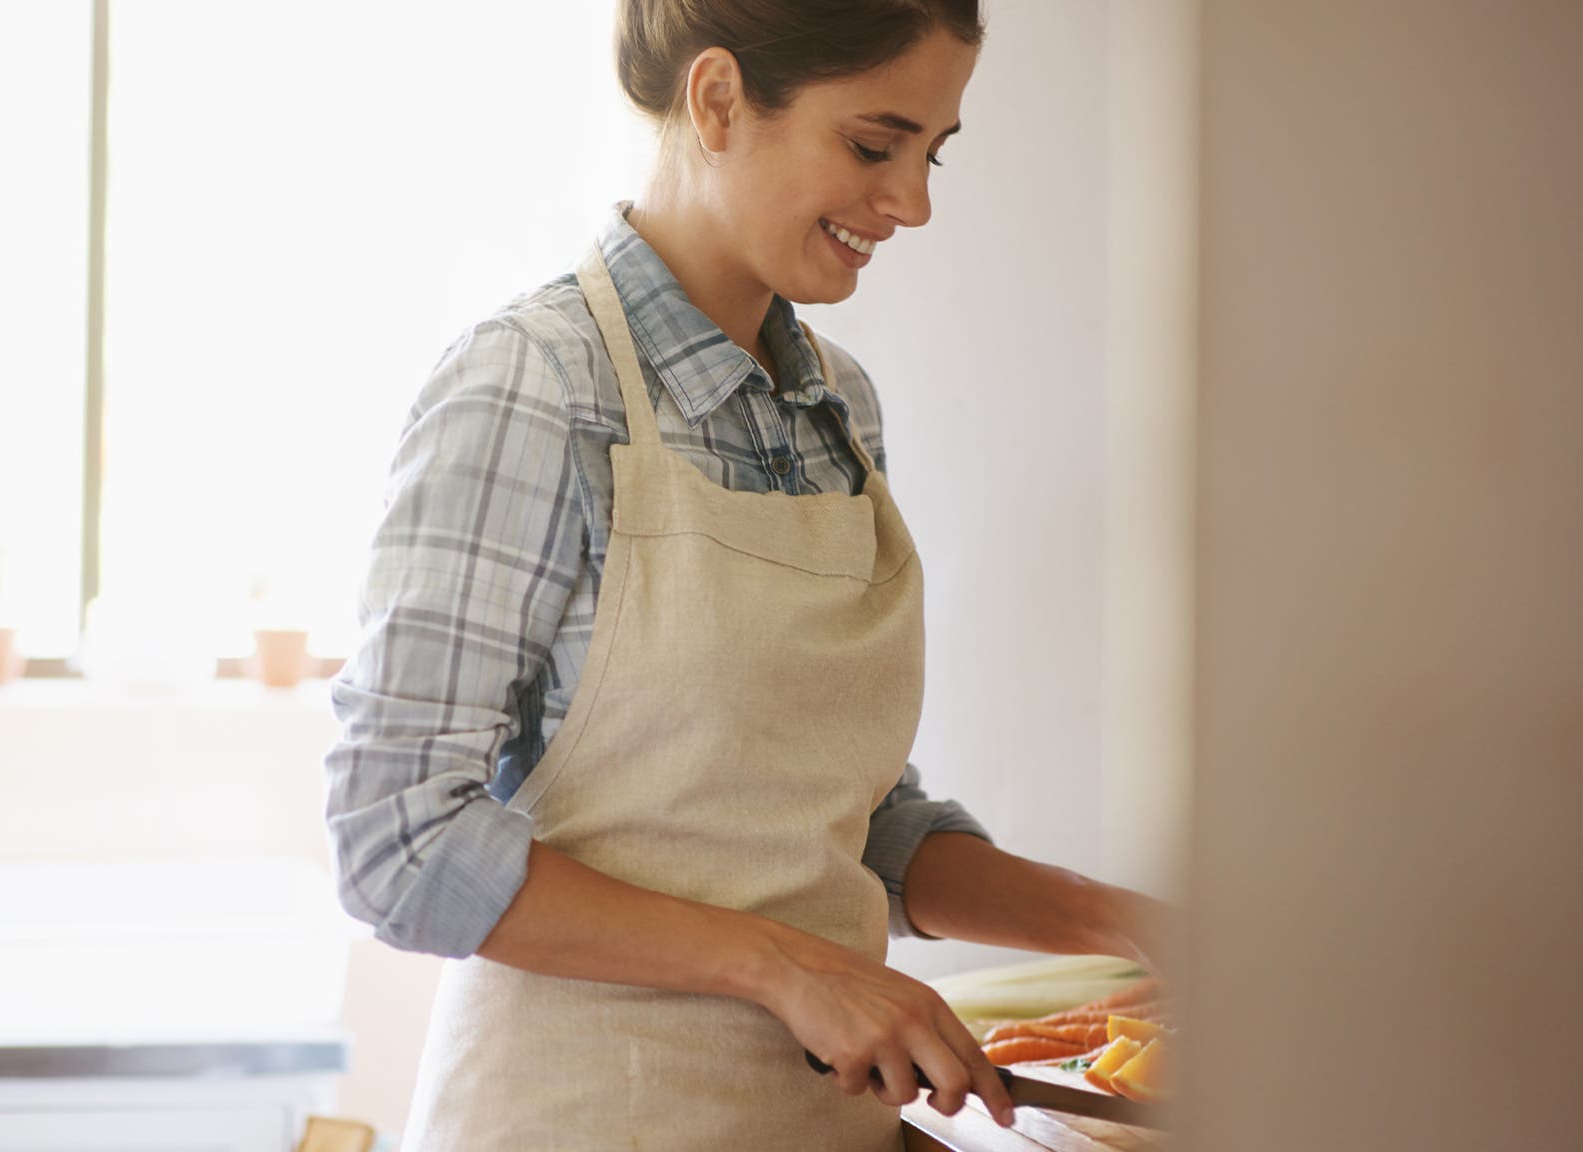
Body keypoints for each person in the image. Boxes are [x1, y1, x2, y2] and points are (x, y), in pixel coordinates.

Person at [325, 1, 1172, 1146]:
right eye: (874, 146)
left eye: (932, 154)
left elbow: (848, 827)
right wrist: (790, 970)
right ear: (716, 98)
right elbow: (397, 844)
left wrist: (1140, 925)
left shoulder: (836, 408)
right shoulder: (531, 387)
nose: (911, 202)